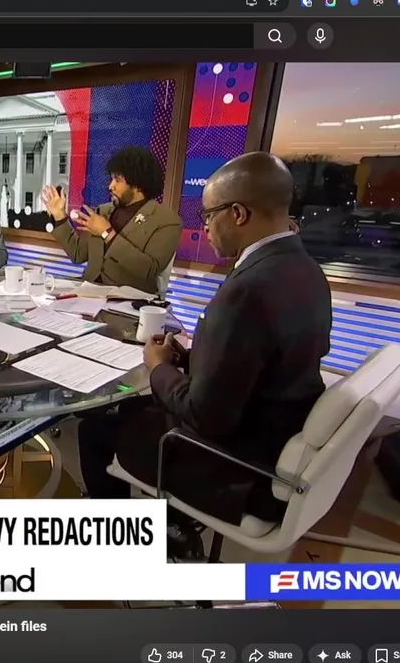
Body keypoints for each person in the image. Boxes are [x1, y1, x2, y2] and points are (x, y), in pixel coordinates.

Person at [77, 152, 332, 551]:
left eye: (209, 215)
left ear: (238, 214)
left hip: (236, 464)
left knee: (96, 427)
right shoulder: (307, 270)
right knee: (130, 407)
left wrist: (158, 366)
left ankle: (118, 540)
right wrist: (193, 359)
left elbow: (203, 415)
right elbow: (268, 360)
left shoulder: (247, 290)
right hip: (274, 432)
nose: (206, 226)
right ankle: (171, 522)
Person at [43, 146, 181, 297]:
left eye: (118, 180)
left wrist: (107, 233)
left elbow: (148, 270)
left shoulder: (166, 221)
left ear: (138, 185)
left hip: (129, 301)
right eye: (111, 179)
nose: (110, 186)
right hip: (88, 295)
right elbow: (78, 254)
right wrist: (59, 216)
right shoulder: (102, 211)